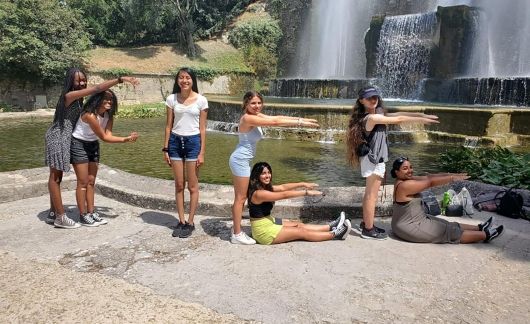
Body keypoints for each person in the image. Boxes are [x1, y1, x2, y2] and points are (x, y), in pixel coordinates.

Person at [45, 68, 139, 228]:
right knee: (56, 177)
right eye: (78, 80)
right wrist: (121, 79)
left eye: (83, 79)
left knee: (59, 177)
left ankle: (53, 212)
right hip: (59, 135)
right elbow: (97, 89)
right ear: (70, 81)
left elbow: (98, 92)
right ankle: (60, 216)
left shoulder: (82, 98)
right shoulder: (69, 95)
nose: (82, 83)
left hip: (69, 136)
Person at [345, 86, 439, 240]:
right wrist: (422, 120)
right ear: (361, 100)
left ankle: (366, 224)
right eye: (369, 98)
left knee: (371, 194)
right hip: (373, 160)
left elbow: (398, 114)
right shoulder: (370, 118)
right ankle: (368, 229)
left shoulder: (377, 113)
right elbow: (398, 120)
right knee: (371, 196)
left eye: (375, 97)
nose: (373, 100)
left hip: (376, 160)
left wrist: (420, 113)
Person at [229, 91, 320, 244]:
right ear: (246, 104)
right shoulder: (248, 118)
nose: (257, 106)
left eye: (259, 102)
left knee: (241, 197)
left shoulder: (256, 116)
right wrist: (301, 123)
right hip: (240, 160)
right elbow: (275, 123)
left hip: (244, 160)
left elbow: (275, 118)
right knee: (240, 198)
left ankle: (236, 230)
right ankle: (237, 234)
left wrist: (301, 119)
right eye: (253, 103)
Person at [390, 157, 503, 243]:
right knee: (446, 231)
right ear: (397, 172)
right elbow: (430, 183)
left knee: (447, 223)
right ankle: (486, 235)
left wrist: (451, 174)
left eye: (410, 167)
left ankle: (479, 228)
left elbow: (430, 177)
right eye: (405, 168)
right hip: (410, 227)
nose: (410, 170)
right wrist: (452, 179)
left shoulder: (406, 179)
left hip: (415, 220)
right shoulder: (405, 186)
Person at [71, 90, 138, 226]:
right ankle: (83, 215)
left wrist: (127, 138)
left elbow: (109, 134)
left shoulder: (108, 115)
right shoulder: (90, 115)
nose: (109, 102)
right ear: (97, 99)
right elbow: (105, 137)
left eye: (111, 99)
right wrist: (125, 139)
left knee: (91, 181)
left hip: (93, 144)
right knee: (83, 182)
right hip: (78, 144)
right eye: (105, 99)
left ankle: (91, 211)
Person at [247, 162, 352, 244]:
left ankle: (330, 227)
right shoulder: (259, 193)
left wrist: (303, 183)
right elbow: (284, 194)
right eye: (263, 173)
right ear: (257, 176)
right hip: (263, 232)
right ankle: (336, 234)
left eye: (269, 172)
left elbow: (283, 187)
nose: (267, 176)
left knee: (298, 225)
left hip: (268, 221)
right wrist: (306, 192)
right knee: (301, 232)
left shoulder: (265, 188)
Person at [163, 68, 208, 238]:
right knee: (179, 184)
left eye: (187, 77)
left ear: (192, 80)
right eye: (181, 77)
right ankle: (181, 221)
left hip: (193, 142)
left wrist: (202, 152)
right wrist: (165, 148)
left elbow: (203, 129)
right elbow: (168, 125)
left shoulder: (201, 100)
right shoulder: (171, 99)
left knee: (193, 186)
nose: (184, 80)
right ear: (177, 81)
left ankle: (190, 222)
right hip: (175, 141)